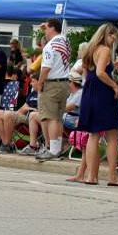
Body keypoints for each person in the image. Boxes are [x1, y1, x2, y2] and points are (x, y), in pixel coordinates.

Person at [77, 23, 118, 186]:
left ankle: (91, 175)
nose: (115, 38)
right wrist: (114, 85)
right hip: (102, 92)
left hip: (89, 91)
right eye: (113, 35)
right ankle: (112, 176)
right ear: (107, 35)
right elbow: (100, 72)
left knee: (93, 135)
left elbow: (85, 71)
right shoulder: (104, 50)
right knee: (111, 135)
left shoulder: (89, 49)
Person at [34, 18, 71, 161]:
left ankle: (53, 149)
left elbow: (46, 67)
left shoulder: (49, 46)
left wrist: (40, 83)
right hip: (63, 82)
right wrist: (46, 26)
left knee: (51, 118)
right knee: (58, 118)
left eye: (46, 28)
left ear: (52, 29)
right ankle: (57, 147)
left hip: (51, 83)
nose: (45, 31)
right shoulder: (64, 41)